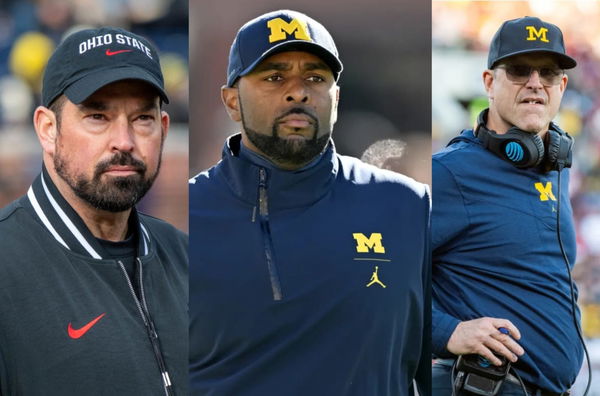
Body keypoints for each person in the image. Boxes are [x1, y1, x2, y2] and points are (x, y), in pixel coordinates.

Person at [189, 9, 430, 396]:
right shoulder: (184, 221)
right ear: (231, 101)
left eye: (315, 78)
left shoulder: (407, 206)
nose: (298, 91)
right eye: (274, 76)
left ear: (336, 98)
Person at [0, 27, 188, 395]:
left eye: (142, 119)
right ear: (48, 129)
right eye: (98, 117)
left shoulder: (188, 259)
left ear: (163, 129)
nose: (124, 141)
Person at [432, 17, 583, 395]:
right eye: (518, 70)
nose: (535, 83)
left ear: (561, 86)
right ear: (488, 83)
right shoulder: (451, 173)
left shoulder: (552, 166)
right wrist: (447, 331)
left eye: (548, 74)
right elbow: (372, 273)